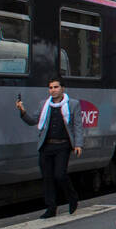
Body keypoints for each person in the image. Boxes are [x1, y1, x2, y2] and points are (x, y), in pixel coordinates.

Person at [17, 77, 83, 219]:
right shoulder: (44, 104)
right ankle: (51, 207)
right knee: (47, 178)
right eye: (51, 88)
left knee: (60, 175)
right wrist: (22, 111)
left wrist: (78, 144)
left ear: (62, 88)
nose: (53, 90)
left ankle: (72, 197)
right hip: (46, 146)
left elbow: (78, 125)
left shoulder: (73, 104)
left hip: (63, 145)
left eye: (56, 87)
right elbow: (33, 121)